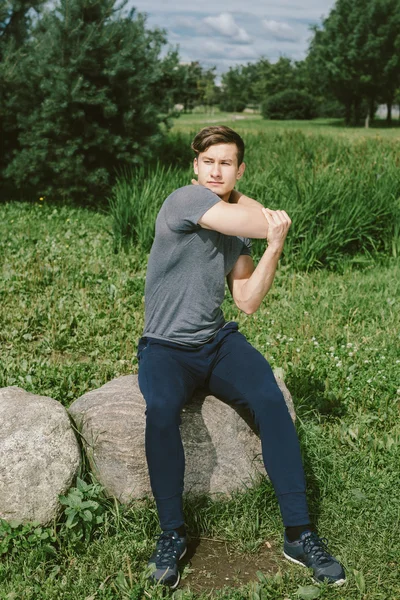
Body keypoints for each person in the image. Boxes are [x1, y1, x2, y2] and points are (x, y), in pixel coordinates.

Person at [136, 125, 346, 590]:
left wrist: (274, 245)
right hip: (166, 348)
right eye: (208, 161)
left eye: (226, 163)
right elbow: (255, 218)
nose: (215, 170)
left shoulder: (235, 225)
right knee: (162, 410)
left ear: (239, 169)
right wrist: (269, 217)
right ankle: (171, 535)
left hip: (216, 342)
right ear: (195, 166)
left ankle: (299, 533)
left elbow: (247, 300)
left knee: (270, 402)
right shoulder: (185, 201)